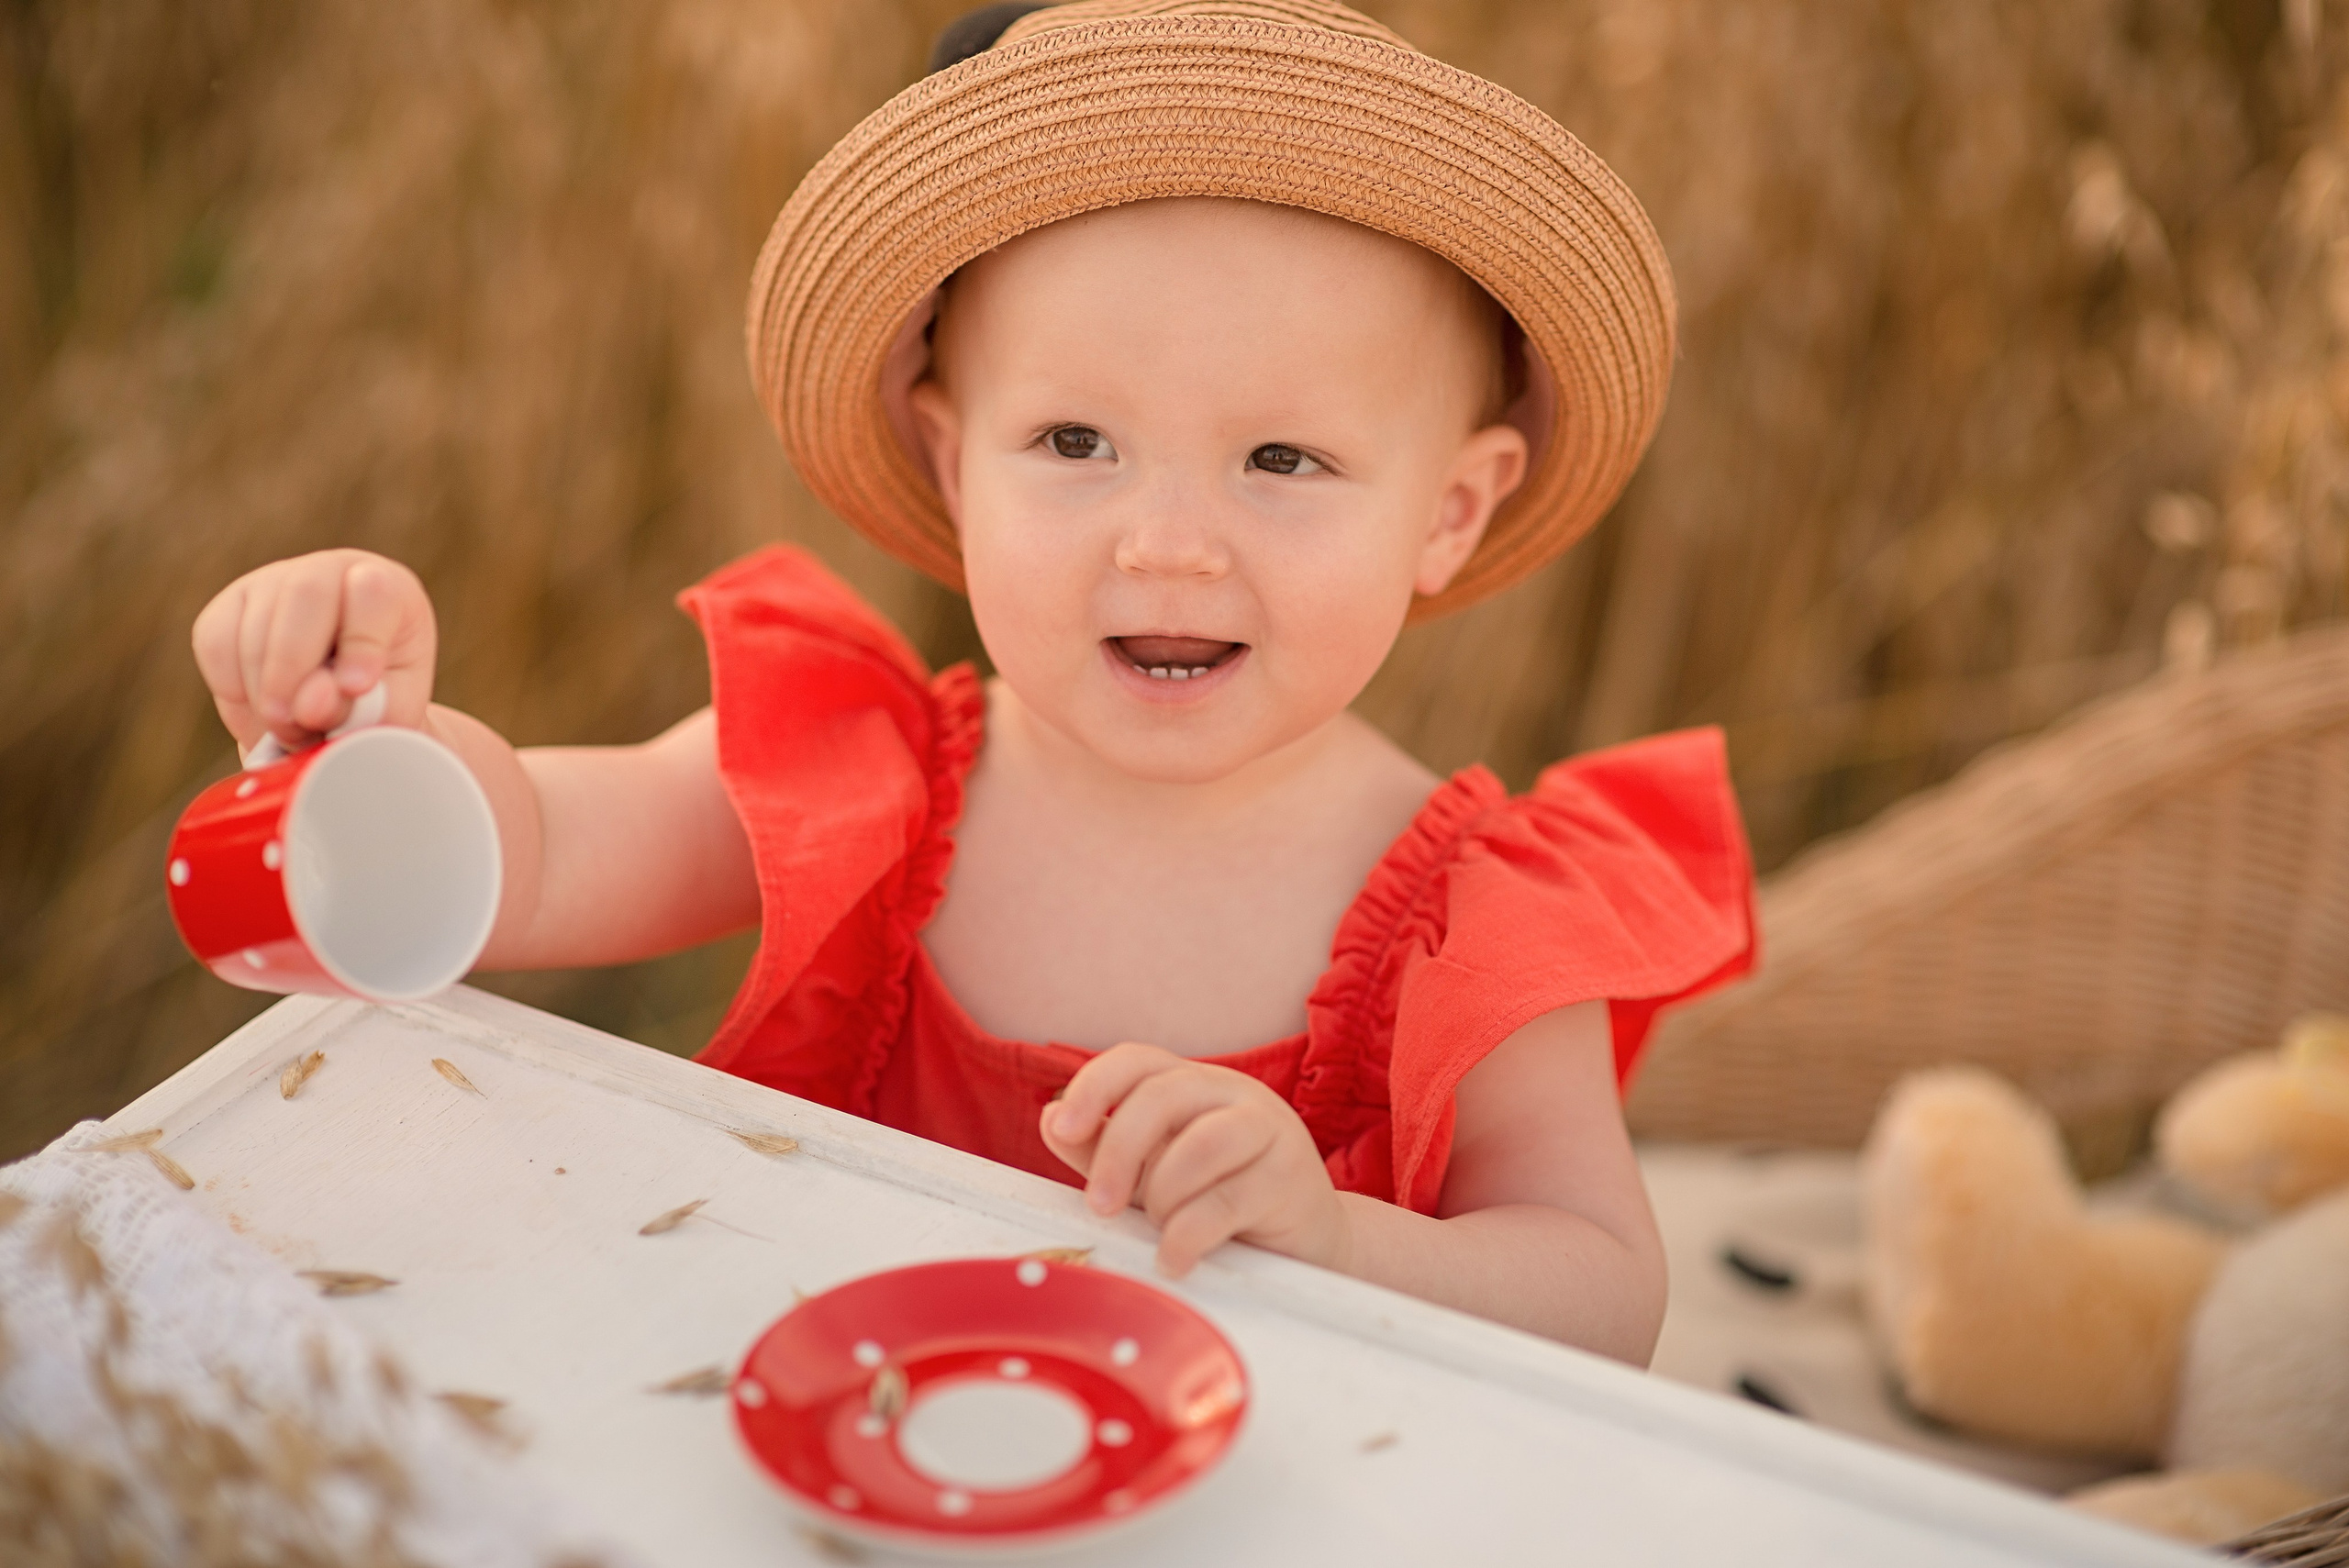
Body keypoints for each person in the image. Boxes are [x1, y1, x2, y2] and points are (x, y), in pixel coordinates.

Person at [187, 0, 1753, 1365]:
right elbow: (534, 849)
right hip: (834, 1466)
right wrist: (373, 732)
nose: (1170, 544)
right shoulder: (868, 779)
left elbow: (1601, 1285)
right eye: (1076, 442)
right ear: (953, 461)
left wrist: (1341, 1241)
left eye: (1283, 459)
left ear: (1449, 511)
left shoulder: (1477, 918)